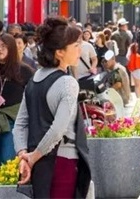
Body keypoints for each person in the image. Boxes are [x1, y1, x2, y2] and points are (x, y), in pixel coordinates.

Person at [13, 17, 92, 199]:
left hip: (40, 164)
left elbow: (20, 124)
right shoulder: (67, 83)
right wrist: (32, 158)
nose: (80, 50)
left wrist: (24, 155)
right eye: (75, 46)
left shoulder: (34, 79)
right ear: (59, 53)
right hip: (63, 161)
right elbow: (57, 130)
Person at [0, 33, 34, 168]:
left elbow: (33, 94)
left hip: (13, 119)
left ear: (12, 48)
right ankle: (2, 187)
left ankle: (9, 186)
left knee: (7, 158)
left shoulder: (24, 70)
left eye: (4, 46)